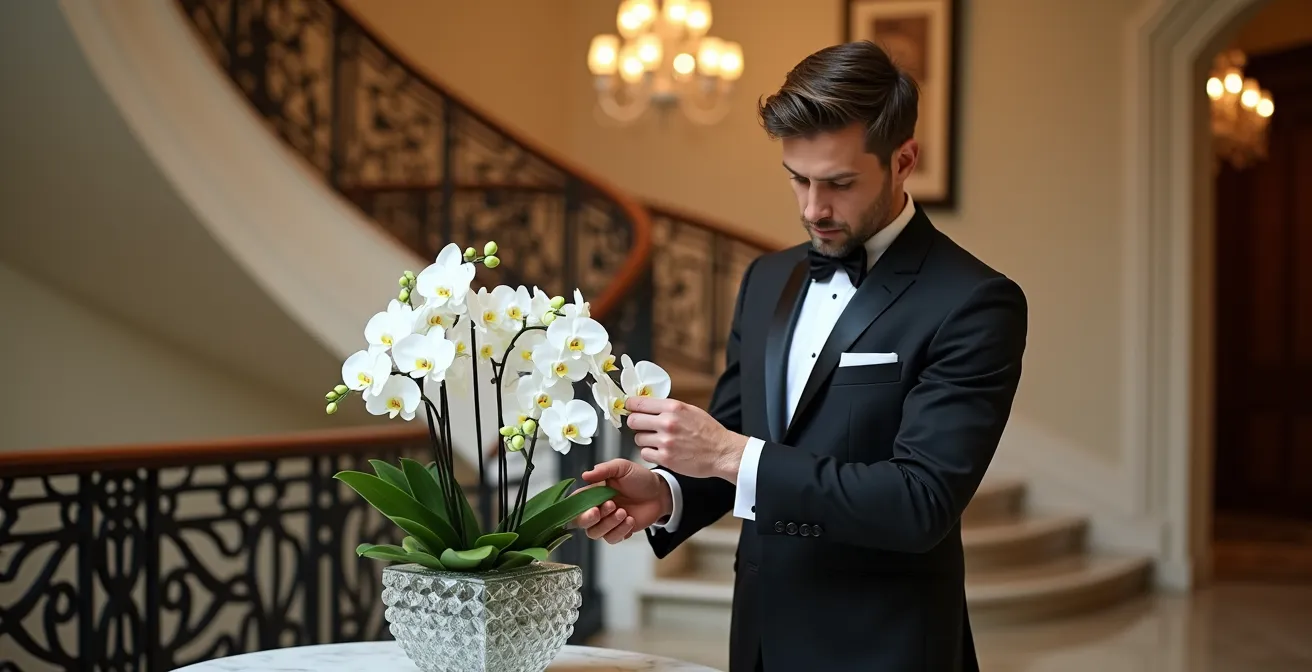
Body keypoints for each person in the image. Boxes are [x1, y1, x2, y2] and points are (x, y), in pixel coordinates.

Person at [571, 40, 1027, 671]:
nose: (814, 208)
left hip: (886, 648)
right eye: (798, 179)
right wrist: (670, 490)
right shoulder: (766, 279)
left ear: (904, 161)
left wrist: (728, 454)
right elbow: (744, 441)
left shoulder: (975, 301)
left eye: (839, 183)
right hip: (758, 641)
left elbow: (919, 502)